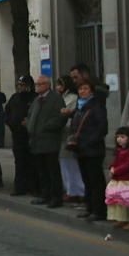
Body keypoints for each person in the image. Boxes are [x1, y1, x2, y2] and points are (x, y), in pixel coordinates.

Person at [69, 80, 109, 221]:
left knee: (95, 181)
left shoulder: (96, 106)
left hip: (93, 150)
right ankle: (90, 207)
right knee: (87, 180)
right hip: (81, 150)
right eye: (80, 89)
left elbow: (102, 128)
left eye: (85, 88)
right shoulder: (80, 107)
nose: (82, 91)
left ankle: (99, 211)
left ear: (91, 91)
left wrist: (88, 142)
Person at [26, 75, 67, 208]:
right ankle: (45, 194)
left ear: (47, 85)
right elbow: (31, 115)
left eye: (40, 84)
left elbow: (60, 118)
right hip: (37, 141)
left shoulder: (55, 99)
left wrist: (46, 127)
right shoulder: (37, 99)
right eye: (36, 84)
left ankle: (56, 197)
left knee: (52, 171)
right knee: (42, 171)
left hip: (49, 141)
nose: (37, 86)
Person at [6, 76, 38, 196]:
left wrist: (28, 122)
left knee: (32, 162)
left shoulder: (34, 98)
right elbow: (7, 112)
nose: (20, 87)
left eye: (23, 85)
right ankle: (20, 187)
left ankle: (33, 187)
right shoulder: (15, 97)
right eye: (19, 85)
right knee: (19, 162)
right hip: (17, 134)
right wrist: (11, 123)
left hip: (30, 135)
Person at [105, 127, 129, 229]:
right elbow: (116, 162)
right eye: (118, 137)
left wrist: (116, 170)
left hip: (127, 180)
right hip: (118, 179)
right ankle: (122, 219)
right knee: (119, 201)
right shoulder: (119, 150)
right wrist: (112, 167)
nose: (119, 139)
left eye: (122, 137)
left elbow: (128, 164)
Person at [55, 75, 84, 203]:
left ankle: (77, 191)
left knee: (70, 164)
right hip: (60, 133)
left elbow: (63, 113)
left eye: (60, 84)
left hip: (69, 133)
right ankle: (69, 190)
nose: (58, 87)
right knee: (64, 163)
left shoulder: (72, 98)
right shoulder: (59, 97)